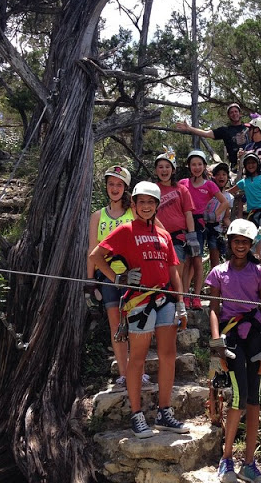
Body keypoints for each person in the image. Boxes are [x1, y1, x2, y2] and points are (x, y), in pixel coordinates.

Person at [89, 181, 189, 439]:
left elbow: (172, 271)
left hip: (165, 298)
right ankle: (137, 416)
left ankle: (164, 412)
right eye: (141, 202)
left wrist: (180, 304)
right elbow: (95, 256)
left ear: (156, 206)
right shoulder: (125, 230)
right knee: (138, 358)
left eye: (150, 202)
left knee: (168, 355)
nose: (146, 206)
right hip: (140, 301)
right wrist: (118, 279)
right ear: (133, 205)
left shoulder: (163, 234)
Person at [205, 219, 261, 483]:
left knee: (254, 398)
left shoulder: (259, 272)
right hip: (231, 336)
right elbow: (213, 308)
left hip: (255, 336)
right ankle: (226, 459)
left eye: (245, 242)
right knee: (239, 394)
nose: (240, 245)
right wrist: (216, 345)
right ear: (229, 242)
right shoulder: (218, 272)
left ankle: (249, 463)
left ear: (251, 245)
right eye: (236, 241)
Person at [86, 165, 134, 387]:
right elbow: (92, 250)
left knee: (134, 323)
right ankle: (124, 372)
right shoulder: (97, 216)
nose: (115, 188)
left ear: (125, 188)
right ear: (106, 186)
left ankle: (136, 369)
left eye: (119, 184)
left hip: (132, 275)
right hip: (106, 276)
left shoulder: (133, 212)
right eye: (111, 184)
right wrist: (90, 282)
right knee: (116, 325)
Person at [176, 103, 261, 171]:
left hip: (257, 166)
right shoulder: (225, 131)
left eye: (236, 111)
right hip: (237, 167)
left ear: (240, 113)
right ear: (229, 116)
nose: (234, 114)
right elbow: (207, 133)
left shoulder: (250, 126)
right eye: (231, 112)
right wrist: (190, 128)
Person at [179, 150, 229, 310]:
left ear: (204, 166)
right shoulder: (183, 183)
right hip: (184, 225)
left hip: (200, 226)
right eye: (193, 164)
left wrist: (215, 215)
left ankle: (197, 297)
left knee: (197, 262)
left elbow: (225, 202)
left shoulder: (209, 184)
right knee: (187, 262)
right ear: (189, 166)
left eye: (199, 164)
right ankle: (186, 296)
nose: (196, 167)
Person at [154, 149, 198, 280]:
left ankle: (177, 299)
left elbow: (188, 213)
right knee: (159, 271)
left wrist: (192, 236)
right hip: (158, 237)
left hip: (178, 237)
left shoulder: (181, 189)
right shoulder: (152, 190)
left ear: (173, 170)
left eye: (168, 167)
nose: (164, 170)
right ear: (156, 170)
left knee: (177, 273)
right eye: (160, 167)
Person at [228, 153, 261, 261]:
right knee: (253, 237)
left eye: (253, 162)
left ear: (258, 164)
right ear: (245, 166)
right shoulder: (244, 182)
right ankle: (256, 264)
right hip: (252, 214)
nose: (251, 165)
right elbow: (230, 191)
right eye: (248, 163)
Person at [205, 162, 233, 268]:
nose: (221, 177)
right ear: (214, 177)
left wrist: (232, 229)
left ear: (227, 177)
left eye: (224, 174)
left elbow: (226, 217)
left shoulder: (229, 197)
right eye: (218, 174)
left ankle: (216, 280)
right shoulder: (208, 192)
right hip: (203, 225)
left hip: (216, 228)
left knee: (215, 254)